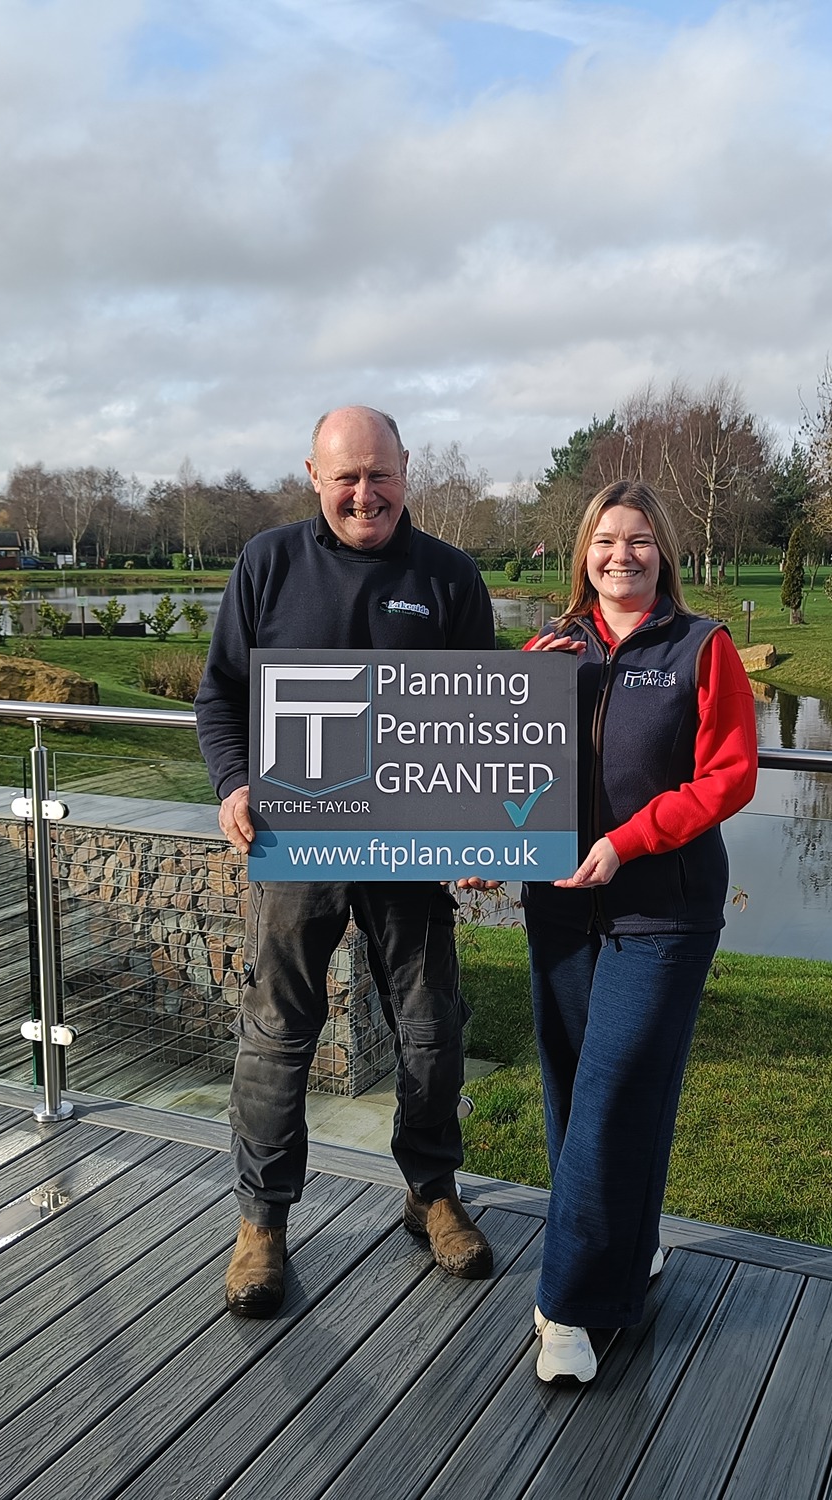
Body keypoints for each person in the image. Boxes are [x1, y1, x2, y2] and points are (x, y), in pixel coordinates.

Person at [195, 405, 498, 1317]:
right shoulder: (268, 564)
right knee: (277, 1035)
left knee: (431, 1029)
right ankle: (261, 1222)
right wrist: (236, 784)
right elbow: (220, 698)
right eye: (345, 477)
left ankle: (431, 1191)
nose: (364, 494)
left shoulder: (448, 577)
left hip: (407, 850)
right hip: (296, 839)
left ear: (408, 470)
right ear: (313, 476)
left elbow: (476, 728)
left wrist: (481, 826)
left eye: (381, 474)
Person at [518, 479, 757, 1383]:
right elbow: (503, 765)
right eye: (606, 540)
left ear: (666, 556)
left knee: (615, 1098)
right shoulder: (546, 650)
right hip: (561, 905)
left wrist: (629, 840)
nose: (623, 555)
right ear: (583, 551)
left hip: (664, 908)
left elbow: (729, 776)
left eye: (642, 541)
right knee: (574, 1093)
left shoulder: (704, 647)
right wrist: (482, 840)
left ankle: (569, 1306)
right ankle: (629, 1247)